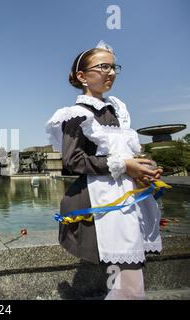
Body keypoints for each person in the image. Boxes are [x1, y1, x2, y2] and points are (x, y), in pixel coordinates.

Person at [45, 41, 163, 300]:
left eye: (113, 67)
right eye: (103, 67)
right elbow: (73, 160)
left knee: (129, 281)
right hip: (104, 204)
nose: (110, 73)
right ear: (82, 76)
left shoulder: (117, 110)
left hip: (128, 200)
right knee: (129, 284)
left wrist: (143, 168)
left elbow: (127, 153)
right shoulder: (74, 114)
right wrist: (124, 165)